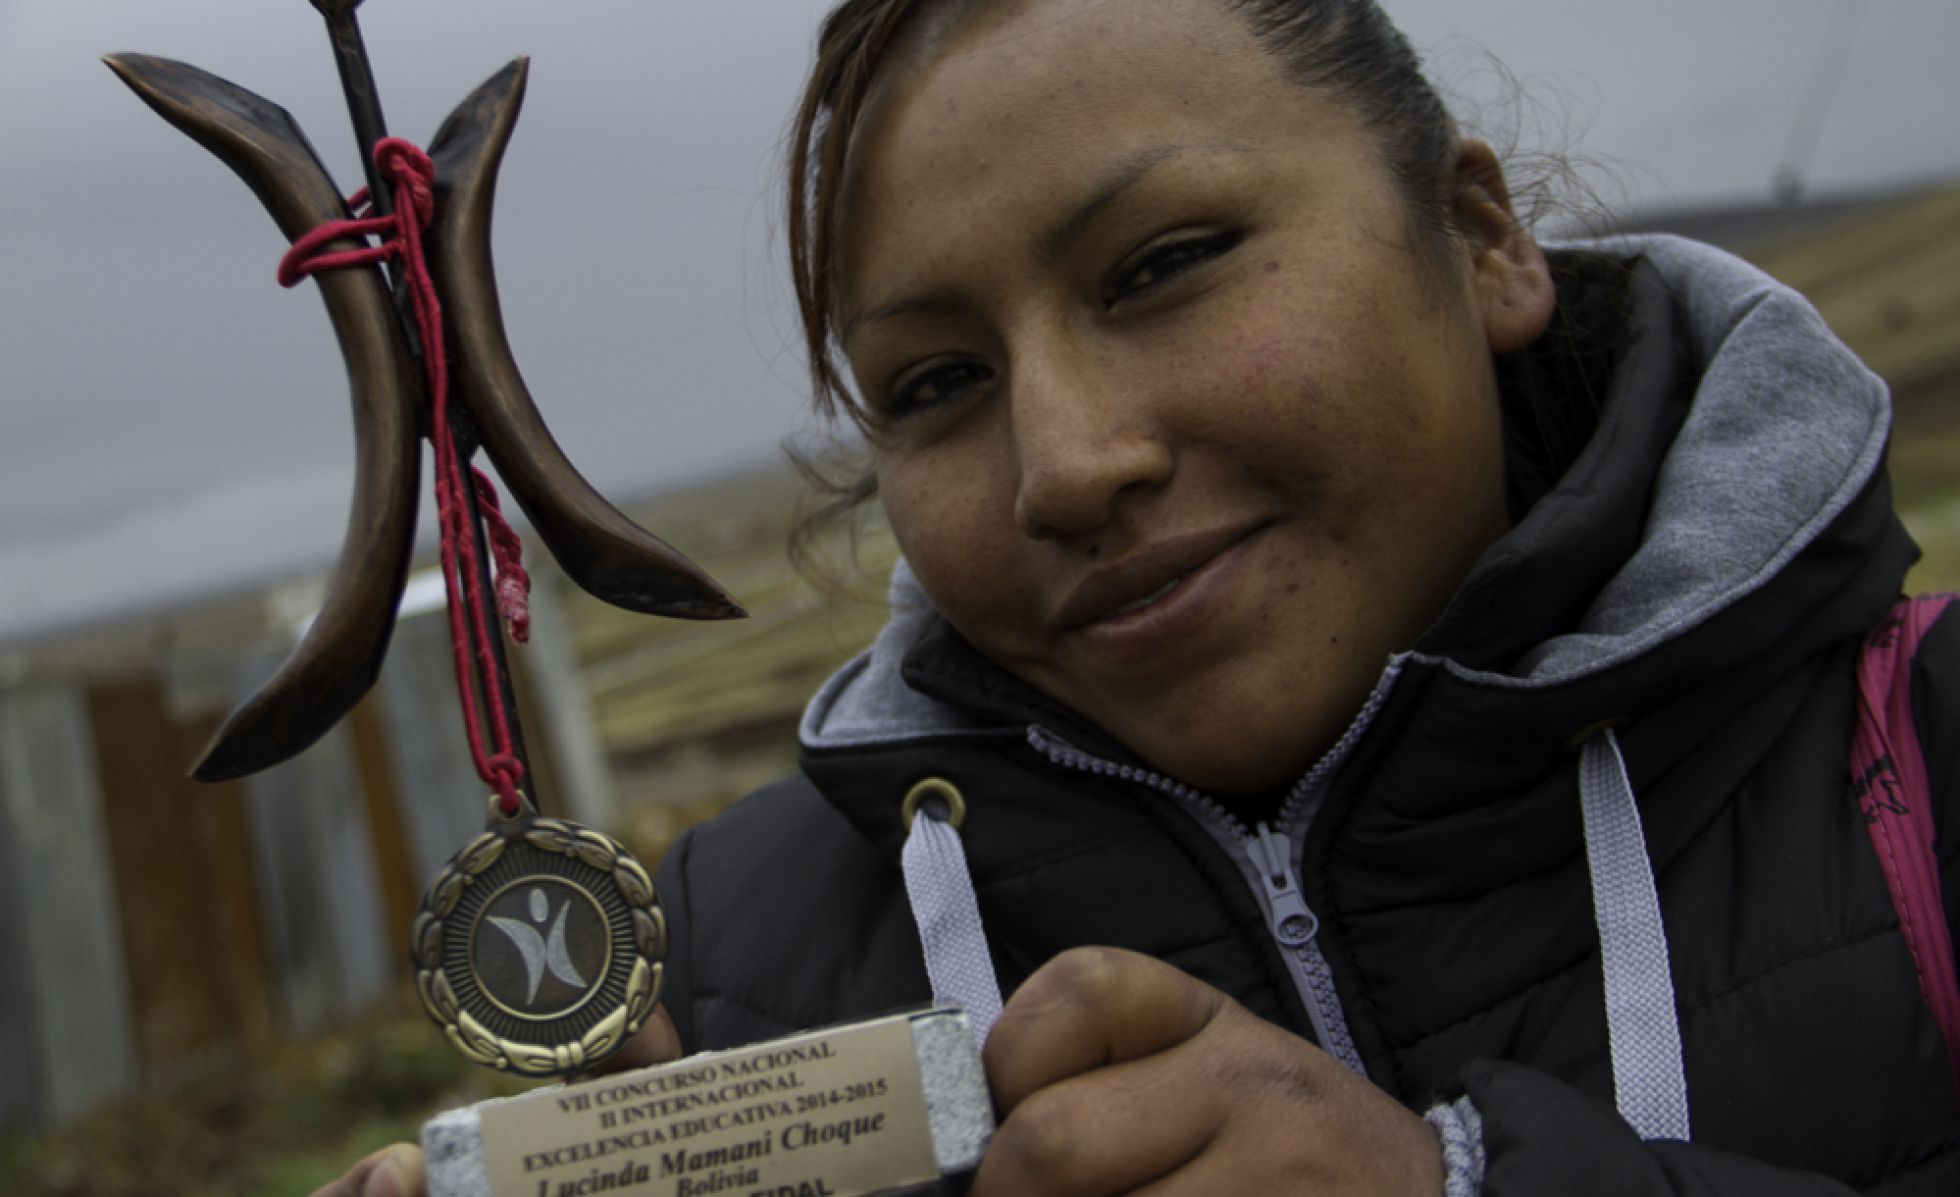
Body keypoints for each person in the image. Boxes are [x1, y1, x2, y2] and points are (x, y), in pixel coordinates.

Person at [316, 0, 1960, 1193]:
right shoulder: (732, 984)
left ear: (1477, 239)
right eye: (938, 378)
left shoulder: (1922, 774)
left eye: (1164, 264)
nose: (1068, 464)